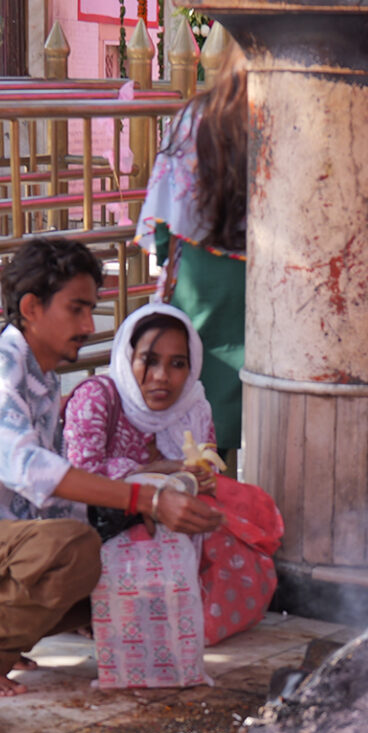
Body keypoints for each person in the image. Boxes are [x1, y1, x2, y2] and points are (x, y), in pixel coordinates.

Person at [0, 239, 225, 696]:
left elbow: (51, 499)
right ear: (31, 308)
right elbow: (29, 468)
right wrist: (147, 499)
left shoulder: (43, 380)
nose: (88, 326)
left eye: (91, 310)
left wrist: (129, 522)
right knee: (73, 549)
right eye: (76, 309)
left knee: (114, 566)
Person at [61, 302, 284, 645]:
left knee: (218, 517)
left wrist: (199, 480)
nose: (162, 376)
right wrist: (152, 472)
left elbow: (203, 470)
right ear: (128, 359)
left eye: (177, 364)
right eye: (149, 361)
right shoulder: (97, 397)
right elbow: (81, 478)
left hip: (163, 526)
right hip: (96, 527)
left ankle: (185, 612)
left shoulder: (193, 407)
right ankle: (99, 607)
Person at [135, 70, 248, 459]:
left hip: (200, 273)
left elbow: (164, 215)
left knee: (196, 375)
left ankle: (203, 469)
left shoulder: (198, 115)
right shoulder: (292, 109)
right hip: (269, 271)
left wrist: (165, 255)